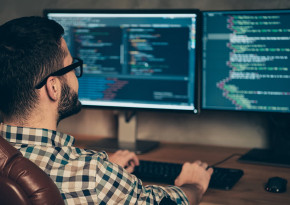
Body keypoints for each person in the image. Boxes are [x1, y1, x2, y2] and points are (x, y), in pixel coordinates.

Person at [0, 16, 213, 205]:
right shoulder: (93, 176)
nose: (75, 76)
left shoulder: (89, 172)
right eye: (71, 66)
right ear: (53, 87)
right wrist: (194, 185)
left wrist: (106, 168)